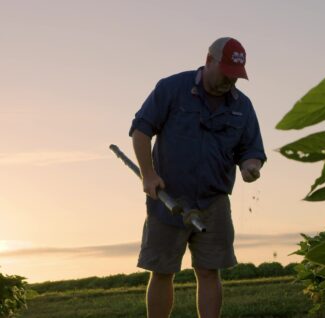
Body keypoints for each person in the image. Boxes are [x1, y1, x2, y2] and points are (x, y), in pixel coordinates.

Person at [129, 37, 266, 318]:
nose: (231, 80)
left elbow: (251, 150)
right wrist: (148, 175)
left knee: (208, 270)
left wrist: (251, 166)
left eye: (236, 76)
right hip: (169, 198)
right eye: (226, 73)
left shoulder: (243, 106)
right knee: (162, 271)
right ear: (209, 61)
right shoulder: (172, 88)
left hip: (214, 201)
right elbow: (141, 131)